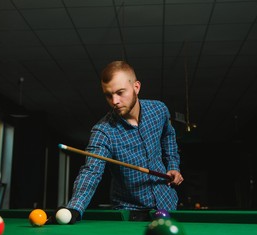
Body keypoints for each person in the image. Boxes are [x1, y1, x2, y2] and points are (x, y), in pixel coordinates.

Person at [62, 61, 183, 223]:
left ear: (136, 87)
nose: (114, 101)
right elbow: (91, 171)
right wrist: (74, 208)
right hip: (130, 213)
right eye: (108, 95)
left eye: (120, 92)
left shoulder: (159, 110)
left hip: (167, 203)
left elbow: (168, 136)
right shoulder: (103, 131)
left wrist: (173, 166)